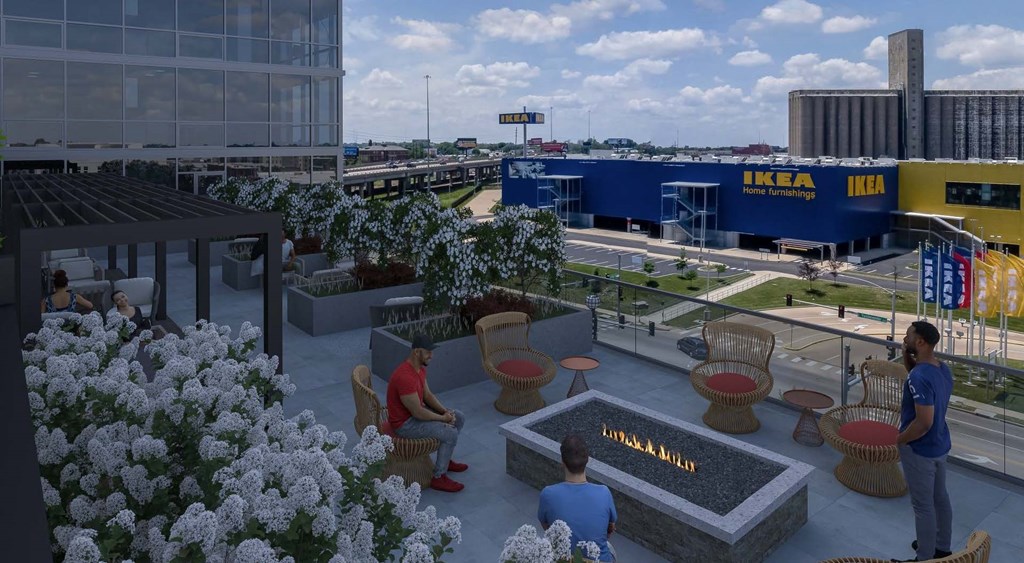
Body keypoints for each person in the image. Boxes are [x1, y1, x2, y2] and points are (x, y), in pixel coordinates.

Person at [894, 320, 953, 562]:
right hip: (940, 445)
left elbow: (924, 422)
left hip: (920, 449)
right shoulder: (941, 368)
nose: (905, 339)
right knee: (940, 497)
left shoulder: (919, 377)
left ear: (920, 342)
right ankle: (941, 547)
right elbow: (918, 377)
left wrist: (901, 439)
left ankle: (925, 557)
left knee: (923, 506)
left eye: (908, 336)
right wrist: (907, 357)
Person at [386, 333, 468, 493]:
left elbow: (428, 396)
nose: (432, 355)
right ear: (416, 352)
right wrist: (443, 418)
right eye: (428, 351)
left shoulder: (419, 369)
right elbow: (418, 412)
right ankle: (439, 478)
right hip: (405, 425)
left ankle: (445, 460)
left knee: (459, 417)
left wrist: (446, 411)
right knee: (450, 433)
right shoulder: (405, 377)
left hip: (415, 417)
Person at [538, 434, 618, 562]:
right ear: (588, 460)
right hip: (598, 560)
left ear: (562, 463)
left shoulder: (547, 494)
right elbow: (610, 528)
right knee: (610, 548)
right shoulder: (604, 492)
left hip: (563, 560)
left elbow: (547, 527)